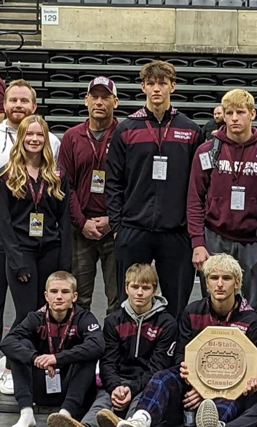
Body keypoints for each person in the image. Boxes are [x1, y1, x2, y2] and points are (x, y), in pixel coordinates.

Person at [0, 79, 61, 394]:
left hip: (31, 238)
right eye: (13, 100)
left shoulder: (51, 142)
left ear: (34, 106)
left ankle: (16, 355)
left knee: (28, 302)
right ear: (4, 105)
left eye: (24, 101)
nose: (18, 106)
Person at [109, 254, 257, 427]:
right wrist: (197, 385)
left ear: (237, 283)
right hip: (193, 383)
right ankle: (140, 423)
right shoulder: (191, 312)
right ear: (206, 283)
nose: (219, 284)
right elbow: (180, 356)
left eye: (226, 278)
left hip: (230, 387)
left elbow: (251, 369)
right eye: (213, 278)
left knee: (233, 397)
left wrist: (206, 393)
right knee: (162, 377)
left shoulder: (251, 320)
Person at [105, 60, 202, 318]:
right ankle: (126, 354)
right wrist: (118, 227)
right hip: (134, 229)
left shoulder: (190, 130)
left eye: (162, 83)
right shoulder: (126, 130)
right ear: (143, 88)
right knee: (129, 300)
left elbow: (199, 185)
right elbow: (113, 181)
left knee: (177, 301)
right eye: (151, 84)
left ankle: (173, 353)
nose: (156, 89)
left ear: (173, 85)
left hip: (176, 232)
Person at [46, 263, 177, 427]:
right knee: (103, 403)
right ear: (126, 288)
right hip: (117, 381)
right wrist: (115, 386)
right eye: (135, 287)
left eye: (146, 288)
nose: (140, 293)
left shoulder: (167, 323)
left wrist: (130, 388)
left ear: (154, 290)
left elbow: (158, 367)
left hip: (147, 382)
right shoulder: (113, 321)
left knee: (140, 404)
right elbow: (107, 362)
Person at [187, 89, 257, 319]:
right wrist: (197, 243)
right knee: (215, 302)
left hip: (254, 242)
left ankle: (255, 352)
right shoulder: (208, 151)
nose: (234, 118)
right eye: (229, 112)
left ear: (252, 114)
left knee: (254, 308)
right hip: (215, 237)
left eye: (240, 112)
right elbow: (195, 199)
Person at [0, 271, 104, 427]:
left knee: (87, 353)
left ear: (74, 296)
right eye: (54, 292)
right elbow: (6, 343)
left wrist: (56, 358)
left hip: (71, 389)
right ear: (46, 296)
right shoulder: (36, 318)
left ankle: (66, 414)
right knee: (20, 347)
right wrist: (34, 358)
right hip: (41, 386)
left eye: (65, 292)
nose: (59, 296)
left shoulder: (84, 318)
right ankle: (26, 412)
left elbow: (98, 345)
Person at [0, 114, 72, 330]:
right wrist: (17, 261)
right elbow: (4, 223)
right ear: (21, 138)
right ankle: (15, 360)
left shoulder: (58, 175)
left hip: (50, 251)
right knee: (27, 313)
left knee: (47, 310)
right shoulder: (7, 176)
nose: (34, 139)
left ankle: (41, 360)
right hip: (22, 252)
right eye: (29, 134)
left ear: (46, 139)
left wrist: (65, 262)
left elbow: (64, 221)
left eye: (40, 134)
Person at [57, 76, 120, 317]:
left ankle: (113, 352)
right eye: (94, 97)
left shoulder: (125, 134)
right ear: (86, 101)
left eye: (106, 97)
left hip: (114, 229)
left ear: (116, 101)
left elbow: (131, 184)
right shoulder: (72, 137)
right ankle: (81, 350)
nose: (100, 102)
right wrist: (81, 223)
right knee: (80, 297)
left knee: (116, 297)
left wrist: (112, 220)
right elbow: (65, 185)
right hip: (80, 230)